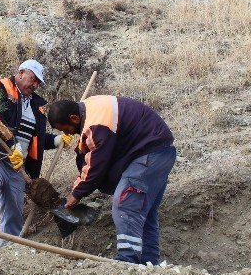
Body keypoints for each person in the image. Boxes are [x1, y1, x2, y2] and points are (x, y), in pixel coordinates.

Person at [47, 96, 176, 265]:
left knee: (126, 204)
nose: (67, 134)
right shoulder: (91, 107)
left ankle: (126, 263)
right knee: (145, 213)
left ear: (74, 118)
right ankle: (149, 265)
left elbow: (96, 165)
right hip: (160, 152)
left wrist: (76, 194)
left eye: (65, 129)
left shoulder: (96, 124)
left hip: (149, 153)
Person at [0, 60, 73, 252]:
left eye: (38, 83)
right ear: (21, 73)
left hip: (18, 166)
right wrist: (12, 145)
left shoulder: (36, 106)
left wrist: (56, 141)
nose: (35, 85)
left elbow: (36, 138)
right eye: (33, 79)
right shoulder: (1, 88)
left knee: (14, 206)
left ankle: (9, 246)